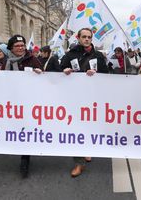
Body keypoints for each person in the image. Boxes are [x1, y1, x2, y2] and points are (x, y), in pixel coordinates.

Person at [60, 28, 109, 177]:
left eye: (89, 37)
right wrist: (66, 70)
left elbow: (106, 75)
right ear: (78, 37)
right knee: (77, 128)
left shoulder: (98, 56)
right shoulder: (70, 54)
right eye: (84, 37)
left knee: (89, 126)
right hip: (74, 98)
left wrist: (97, 74)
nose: (87, 39)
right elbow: (58, 69)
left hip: (92, 99)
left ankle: (87, 149)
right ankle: (79, 163)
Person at [1, 35, 42, 178]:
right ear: (11, 48)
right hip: (10, 102)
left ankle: (25, 159)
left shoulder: (33, 59)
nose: (21, 48)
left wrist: (40, 73)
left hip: (28, 102)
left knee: (25, 129)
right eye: (17, 46)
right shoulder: (4, 61)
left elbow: (44, 78)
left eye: (22, 45)